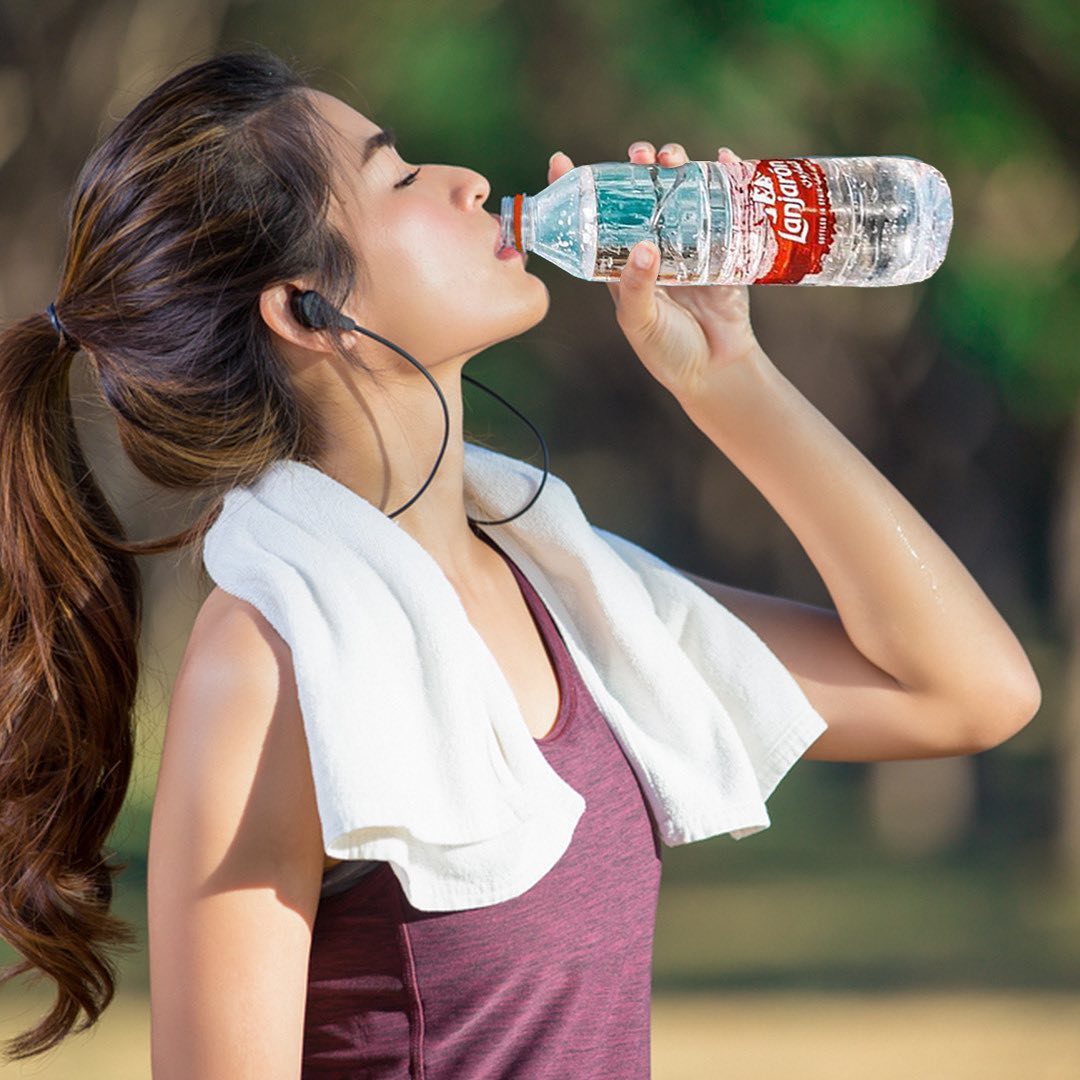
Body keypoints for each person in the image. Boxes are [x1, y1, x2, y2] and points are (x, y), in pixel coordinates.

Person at [0, 47, 1041, 1078]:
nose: (464, 181)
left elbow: (966, 692)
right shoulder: (271, 661)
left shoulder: (570, 595)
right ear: (307, 309)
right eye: (397, 176)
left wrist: (731, 377)